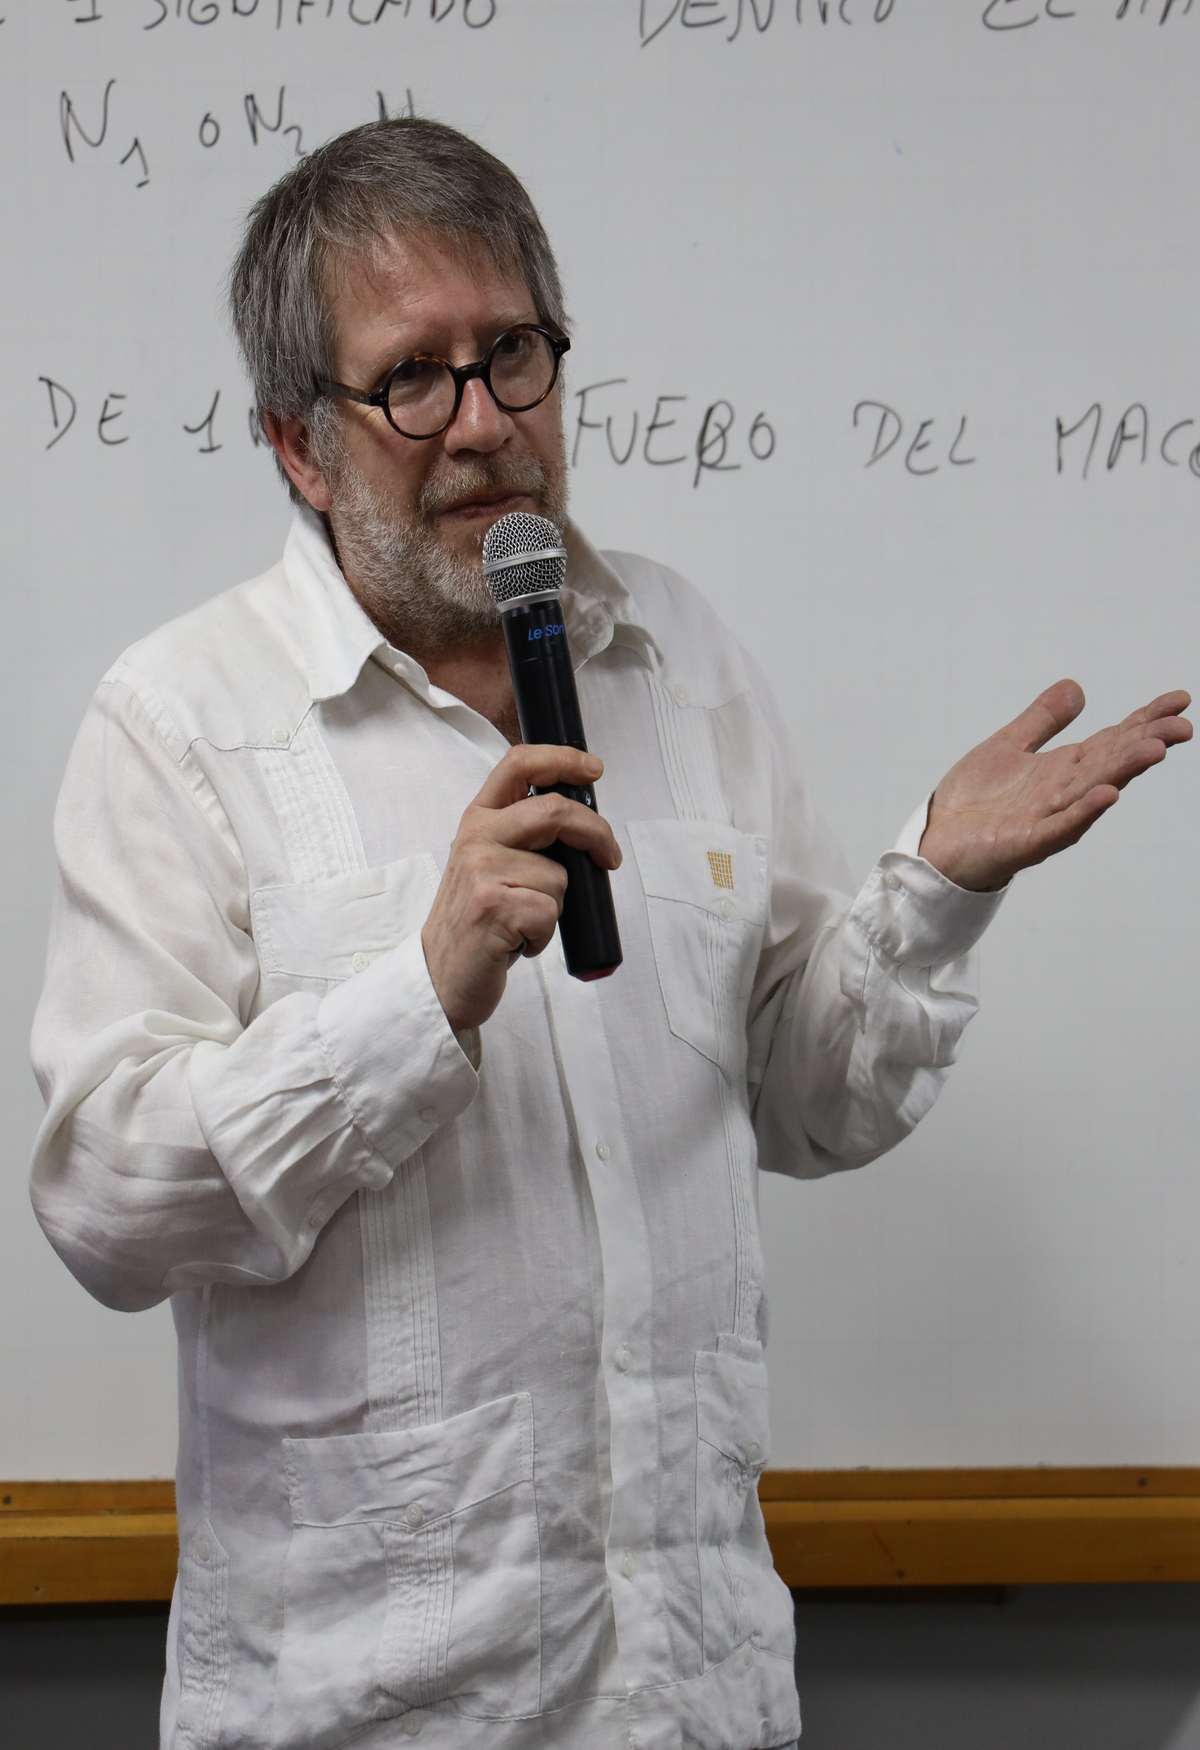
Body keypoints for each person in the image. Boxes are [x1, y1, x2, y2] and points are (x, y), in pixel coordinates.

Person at [29, 117, 1189, 1750]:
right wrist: (418, 995)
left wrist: (933, 885)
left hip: (696, 1694)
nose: (484, 421)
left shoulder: (674, 655)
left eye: (513, 353)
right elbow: (105, 1203)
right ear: (300, 443)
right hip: (373, 1719)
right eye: (413, 378)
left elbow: (809, 1098)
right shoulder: (183, 722)